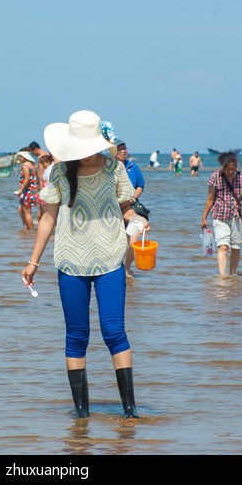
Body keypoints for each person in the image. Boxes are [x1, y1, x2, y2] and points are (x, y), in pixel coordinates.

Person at [22, 110, 145, 419]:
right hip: (70, 260)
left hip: (110, 258)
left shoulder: (113, 169)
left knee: (114, 331)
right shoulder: (59, 173)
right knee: (77, 336)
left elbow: (125, 208)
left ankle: (130, 413)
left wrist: (137, 220)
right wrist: (33, 262)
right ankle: (81, 416)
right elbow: (47, 218)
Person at [201, 152, 242, 276]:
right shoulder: (215, 177)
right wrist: (204, 217)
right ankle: (223, 275)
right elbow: (210, 199)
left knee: (236, 247)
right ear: (222, 167)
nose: (230, 172)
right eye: (228, 169)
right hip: (220, 216)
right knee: (223, 246)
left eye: (232, 169)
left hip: (237, 217)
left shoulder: (241, 177)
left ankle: (233, 275)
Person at [115, 140, 147, 277]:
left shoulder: (132, 166)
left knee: (133, 240)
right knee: (117, 242)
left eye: (124, 149)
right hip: (114, 208)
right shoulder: (109, 167)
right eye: (119, 149)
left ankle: (127, 269)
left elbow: (141, 184)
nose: (123, 151)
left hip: (131, 206)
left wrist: (133, 197)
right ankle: (115, 268)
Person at [16, 150, 40, 231]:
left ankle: (30, 231)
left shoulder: (25, 166)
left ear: (24, 157)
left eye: (20, 157)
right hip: (33, 190)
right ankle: (27, 228)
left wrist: (21, 190)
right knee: (22, 210)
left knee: (27, 213)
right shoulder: (33, 165)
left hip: (27, 191)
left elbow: (26, 179)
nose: (19, 158)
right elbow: (37, 177)